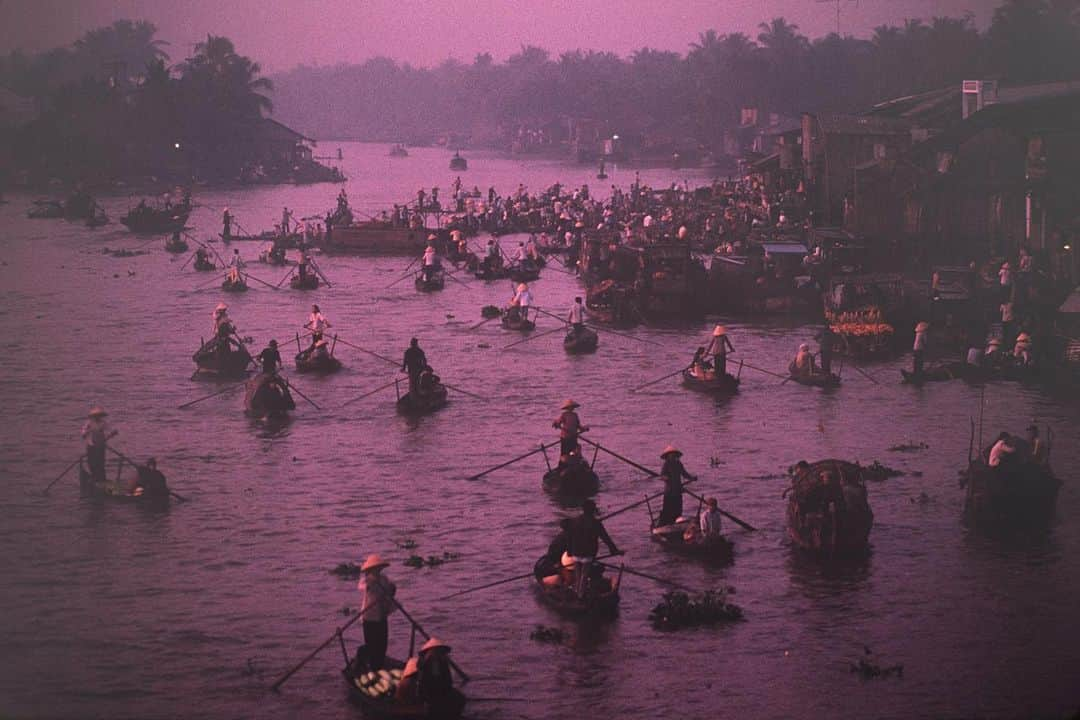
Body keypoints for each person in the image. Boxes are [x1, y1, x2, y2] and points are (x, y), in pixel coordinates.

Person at [567, 499, 621, 594]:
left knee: (578, 575)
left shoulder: (575, 521)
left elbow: (569, 536)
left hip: (575, 552)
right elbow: (606, 538)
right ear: (592, 510)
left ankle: (577, 592)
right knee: (584, 575)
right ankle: (580, 596)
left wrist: (569, 551)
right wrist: (614, 550)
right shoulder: (596, 523)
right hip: (588, 554)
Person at [357, 554, 396, 671]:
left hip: (382, 614)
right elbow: (362, 586)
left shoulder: (384, 579)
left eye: (378, 569)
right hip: (369, 617)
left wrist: (391, 590)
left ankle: (379, 664)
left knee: (382, 643)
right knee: (371, 644)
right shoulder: (366, 580)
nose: (377, 571)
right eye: (375, 569)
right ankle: (366, 661)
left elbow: (391, 590)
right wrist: (371, 582)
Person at [417, 637, 464, 715]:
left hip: (431, 692)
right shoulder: (434, 662)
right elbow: (436, 681)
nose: (441, 653)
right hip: (433, 693)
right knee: (459, 699)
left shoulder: (433, 661)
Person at [658, 445, 695, 526]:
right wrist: (666, 478)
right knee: (668, 509)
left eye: (673, 454)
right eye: (670, 454)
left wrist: (692, 478)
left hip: (678, 490)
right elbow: (662, 475)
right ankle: (667, 523)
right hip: (669, 491)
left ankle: (677, 522)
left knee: (678, 508)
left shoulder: (678, 463)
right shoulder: (666, 464)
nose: (672, 456)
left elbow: (684, 474)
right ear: (668, 456)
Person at [81, 407, 117, 485]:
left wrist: (113, 432)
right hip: (91, 445)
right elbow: (83, 433)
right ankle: (95, 478)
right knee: (92, 462)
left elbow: (110, 430)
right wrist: (86, 433)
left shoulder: (103, 423)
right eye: (96, 415)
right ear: (93, 416)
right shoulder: (89, 423)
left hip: (100, 445)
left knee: (101, 462)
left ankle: (101, 479)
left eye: (99, 415)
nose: (98, 417)